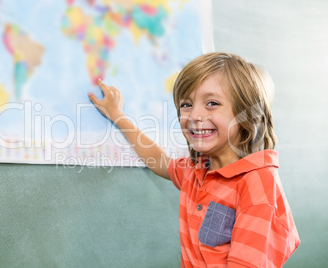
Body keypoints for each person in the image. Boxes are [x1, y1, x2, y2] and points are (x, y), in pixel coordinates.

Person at [88, 52, 300, 267]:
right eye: (186, 105)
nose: (195, 116)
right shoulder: (196, 171)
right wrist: (117, 115)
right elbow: (159, 160)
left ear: (246, 116)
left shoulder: (258, 184)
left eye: (212, 103)